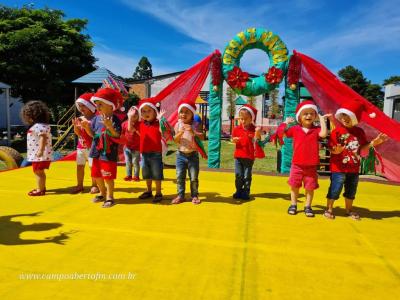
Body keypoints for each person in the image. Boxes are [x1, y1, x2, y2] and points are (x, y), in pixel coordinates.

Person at [324, 99, 388, 220]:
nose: (345, 118)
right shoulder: (336, 131)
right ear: (340, 115)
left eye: (349, 116)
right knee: (335, 188)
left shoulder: (359, 132)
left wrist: (374, 143)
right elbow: (332, 147)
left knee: (351, 190)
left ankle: (349, 210)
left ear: (355, 118)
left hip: (353, 168)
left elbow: (363, 148)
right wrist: (335, 151)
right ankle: (329, 209)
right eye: (343, 115)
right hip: (338, 168)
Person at [283, 100, 330, 217]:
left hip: (311, 165)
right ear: (299, 116)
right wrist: (285, 123)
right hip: (297, 165)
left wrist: (322, 119)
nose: (308, 115)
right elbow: (284, 133)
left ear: (315, 116)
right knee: (294, 186)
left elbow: (324, 134)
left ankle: (307, 206)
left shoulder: (316, 129)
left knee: (310, 187)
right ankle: (293, 204)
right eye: (305, 113)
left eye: (311, 113)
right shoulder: (295, 129)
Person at [81, 88, 123, 208]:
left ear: (110, 106)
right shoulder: (95, 119)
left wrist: (110, 127)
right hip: (95, 151)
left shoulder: (114, 119)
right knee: (96, 174)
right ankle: (102, 193)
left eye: (100, 104)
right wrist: (87, 128)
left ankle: (110, 197)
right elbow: (93, 135)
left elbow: (117, 135)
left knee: (108, 175)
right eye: (97, 104)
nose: (97, 107)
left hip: (108, 151)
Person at [172, 99, 206, 205]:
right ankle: (180, 195)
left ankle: (194, 195)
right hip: (180, 155)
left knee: (193, 177)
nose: (184, 114)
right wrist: (180, 132)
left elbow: (203, 137)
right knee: (180, 176)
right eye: (182, 112)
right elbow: (175, 140)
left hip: (193, 155)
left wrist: (193, 132)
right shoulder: (178, 125)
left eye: (187, 112)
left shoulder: (196, 124)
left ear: (192, 113)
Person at [232, 104, 266, 201]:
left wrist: (258, 133)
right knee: (238, 175)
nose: (243, 121)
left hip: (249, 157)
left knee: (247, 176)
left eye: (246, 119)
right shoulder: (236, 129)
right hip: (238, 156)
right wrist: (234, 140)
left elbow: (258, 141)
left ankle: (246, 192)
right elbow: (233, 139)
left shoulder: (254, 129)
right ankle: (238, 191)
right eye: (241, 119)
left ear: (252, 119)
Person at [137, 98, 169, 203]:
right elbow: (132, 129)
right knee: (146, 173)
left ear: (155, 112)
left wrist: (160, 120)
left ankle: (158, 192)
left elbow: (162, 131)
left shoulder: (157, 123)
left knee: (156, 173)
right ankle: (149, 191)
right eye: (143, 111)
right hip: (144, 153)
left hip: (156, 153)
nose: (146, 113)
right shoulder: (141, 124)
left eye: (149, 110)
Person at [20, 100, 52, 196]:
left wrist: (41, 151)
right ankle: (42, 187)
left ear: (32, 116)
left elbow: (43, 137)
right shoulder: (43, 125)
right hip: (41, 154)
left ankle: (40, 190)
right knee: (39, 171)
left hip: (39, 155)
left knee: (38, 172)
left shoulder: (38, 126)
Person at [71, 92, 99, 194]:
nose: (81, 108)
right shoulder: (80, 118)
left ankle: (94, 185)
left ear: (91, 106)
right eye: (80, 106)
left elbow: (93, 135)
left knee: (93, 167)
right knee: (79, 166)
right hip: (81, 147)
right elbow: (78, 134)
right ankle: (79, 185)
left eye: (84, 106)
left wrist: (86, 127)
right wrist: (75, 126)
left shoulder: (95, 119)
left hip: (91, 148)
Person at [121, 106, 140, 182]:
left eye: (135, 115)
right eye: (131, 114)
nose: (133, 116)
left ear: (138, 116)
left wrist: (130, 118)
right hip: (127, 147)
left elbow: (130, 130)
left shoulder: (139, 124)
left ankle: (136, 176)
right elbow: (122, 133)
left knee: (135, 162)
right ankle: (129, 175)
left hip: (136, 147)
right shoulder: (124, 123)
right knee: (128, 162)